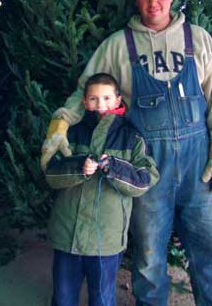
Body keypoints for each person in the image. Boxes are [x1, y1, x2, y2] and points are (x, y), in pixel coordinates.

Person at [41, 0, 212, 306]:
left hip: (198, 167)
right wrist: (60, 125)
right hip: (147, 168)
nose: (153, 2)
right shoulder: (118, 45)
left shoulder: (198, 39)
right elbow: (84, 91)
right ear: (136, 0)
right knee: (148, 257)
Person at [45, 72, 159, 306]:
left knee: (102, 299)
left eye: (107, 98)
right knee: (63, 297)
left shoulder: (132, 138)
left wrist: (114, 167)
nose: (101, 105)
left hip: (105, 241)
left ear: (118, 100)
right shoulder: (72, 133)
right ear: (85, 102)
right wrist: (78, 167)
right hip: (68, 236)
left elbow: (145, 179)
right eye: (94, 99)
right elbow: (51, 173)